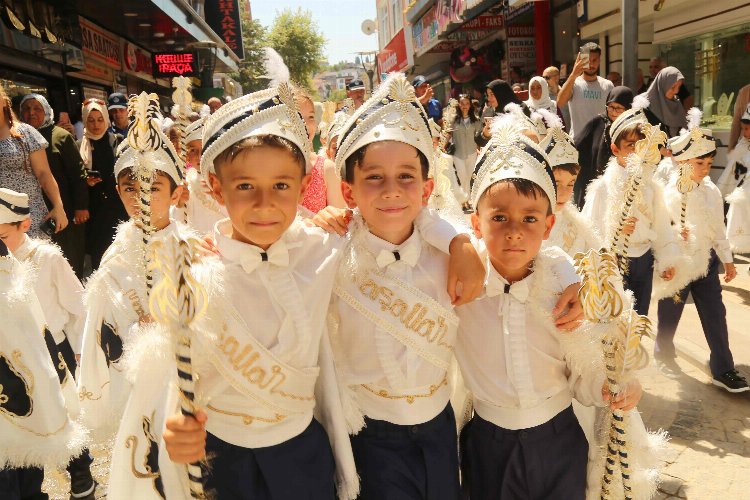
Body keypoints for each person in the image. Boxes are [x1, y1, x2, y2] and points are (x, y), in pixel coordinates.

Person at [455, 115, 641, 499]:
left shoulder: (565, 285)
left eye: (529, 219)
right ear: (476, 222)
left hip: (559, 438)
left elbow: (586, 364)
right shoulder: (461, 287)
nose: (514, 232)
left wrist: (614, 386)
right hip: (489, 443)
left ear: (548, 222)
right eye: (499, 218)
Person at [77, 105, 188, 438]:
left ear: (177, 193)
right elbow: (99, 331)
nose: (141, 198)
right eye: (130, 188)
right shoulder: (114, 257)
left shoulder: (194, 250)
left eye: (153, 188)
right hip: (135, 384)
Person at [0, 187, 97, 498]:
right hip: (16, 357)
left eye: (3, 235)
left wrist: (81, 351)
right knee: (28, 420)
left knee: (63, 410)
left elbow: (78, 307)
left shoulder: (47, 257)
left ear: (24, 225)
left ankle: (80, 472)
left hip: (52, 349)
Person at [656, 113, 748, 393]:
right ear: (681, 162)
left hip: (706, 263)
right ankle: (664, 347)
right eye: (700, 163)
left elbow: (717, 229)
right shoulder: (667, 192)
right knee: (670, 312)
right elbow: (659, 229)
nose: (706, 169)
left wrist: (728, 260)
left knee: (715, 313)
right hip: (679, 264)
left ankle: (723, 368)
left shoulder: (711, 191)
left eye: (709, 163)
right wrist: (673, 236)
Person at [582, 101, 683, 315]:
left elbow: (662, 225)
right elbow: (589, 232)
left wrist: (667, 259)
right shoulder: (601, 189)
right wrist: (615, 232)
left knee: (639, 319)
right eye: (630, 146)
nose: (637, 152)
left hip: (644, 260)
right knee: (615, 320)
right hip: (616, 261)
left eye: (642, 146)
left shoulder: (652, 187)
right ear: (615, 148)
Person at [20, 94, 89, 277]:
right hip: (35, 213)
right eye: (26, 109)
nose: (31, 113)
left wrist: (81, 207)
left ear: (47, 111)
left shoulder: (60, 137)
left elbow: (77, 174)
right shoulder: (19, 139)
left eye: (37, 108)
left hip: (64, 210)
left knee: (69, 260)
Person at [0, 86, 68, 238]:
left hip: (29, 217)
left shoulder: (25, 132)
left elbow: (44, 174)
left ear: (4, 102)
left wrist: (58, 206)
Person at [539, 115, 602, 256]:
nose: (564, 193)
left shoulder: (577, 223)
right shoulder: (530, 225)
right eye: (556, 183)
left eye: (570, 184)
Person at [79, 98, 129, 270]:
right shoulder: (80, 145)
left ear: (107, 119)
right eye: (90, 120)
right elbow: (75, 178)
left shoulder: (117, 140)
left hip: (118, 207)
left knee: (123, 255)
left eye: (100, 119)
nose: (96, 125)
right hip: (95, 212)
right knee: (99, 260)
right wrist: (86, 181)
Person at [573, 86, 634, 207]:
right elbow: (576, 145)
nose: (613, 111)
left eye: (618, 108)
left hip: (621, 183)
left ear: (628, 108)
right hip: (593, 183)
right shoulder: (597, 122)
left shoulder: (632, 128)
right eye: (610, 107)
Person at [555, 42, 614, 138]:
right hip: (578, 143)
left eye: (594, 60)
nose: (591, 64)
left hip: (601, 142)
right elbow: (560, 103)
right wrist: (573, 74)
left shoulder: (608, 85)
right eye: (587, 60)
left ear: (600, 60)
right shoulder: (573, 84)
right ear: (581, 61)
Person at [182, 117, 227, 235]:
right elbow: (180, 221)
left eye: (205, 149)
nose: (200, 156)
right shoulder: (185, 182)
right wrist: (179, 203)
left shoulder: (230, 179)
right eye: (192, 150)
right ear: (186, 156)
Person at [475, 79, 528, 148]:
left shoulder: (519, 108)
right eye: (488, 95)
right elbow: (478, 140)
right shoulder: (489, 112)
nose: (489, 98)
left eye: (492, 94)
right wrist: (485, 134)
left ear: (501, 93)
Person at [451, 94, 482, 206]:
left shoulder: (476, 120)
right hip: (457, 153)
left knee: (468, 177)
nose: (464, 106)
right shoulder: (453, 120)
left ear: (470, 105)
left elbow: (479, 137)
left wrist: (479, 150)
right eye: (462, 103)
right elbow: (448, 134)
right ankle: (464, 200)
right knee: (462, 176)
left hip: (472, 152)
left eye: (467, 103)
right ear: (459, 105)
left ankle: (466, 199)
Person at [643, 66, 688, 137]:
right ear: (662, 85)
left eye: (678, 87)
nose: (676, 91)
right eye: (673, 87)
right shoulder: (645, 106)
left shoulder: (676, 104)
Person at [729, 83, 750, 151]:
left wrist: (731, 149)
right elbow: (736, 124)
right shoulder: (745, 91)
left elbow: (736, 124)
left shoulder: (745, 91)